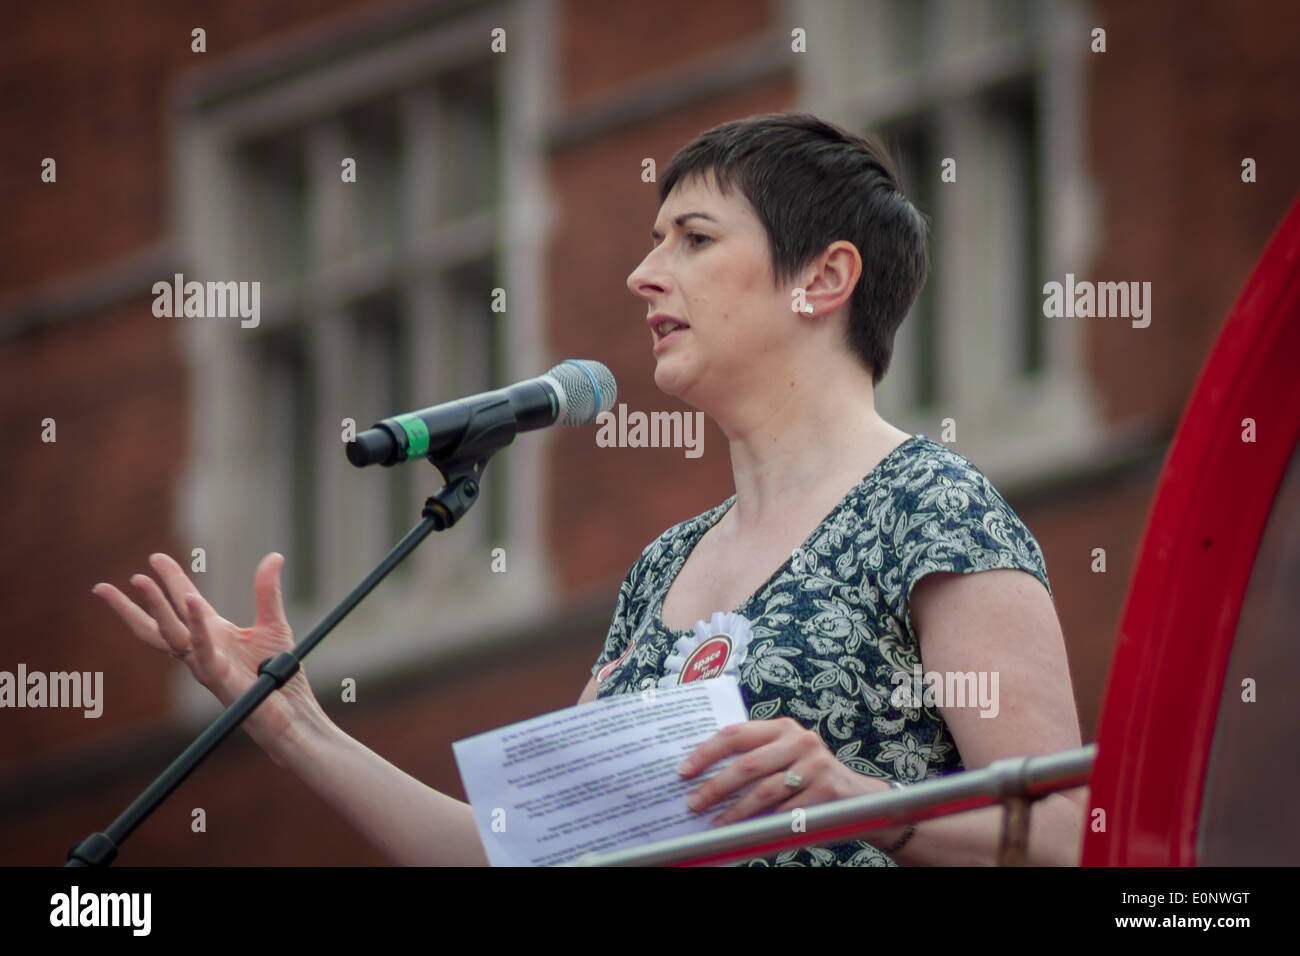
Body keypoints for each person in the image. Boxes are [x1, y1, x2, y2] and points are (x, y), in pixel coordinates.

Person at [92, 111, 1085, 867]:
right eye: (656, 240)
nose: (644, 274)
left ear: (821, 278)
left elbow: (1075, 827)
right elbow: (522, 850)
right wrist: (288, 720)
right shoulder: (662, 568)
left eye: (692, 239)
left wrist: (856, 797)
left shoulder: (932, 507)